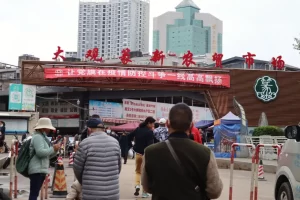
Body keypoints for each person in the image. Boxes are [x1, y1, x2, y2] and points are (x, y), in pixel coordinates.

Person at [141, 103, 223, 200]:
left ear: (168, 123)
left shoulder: (150, 152)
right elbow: (215, 191)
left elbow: (147, 187)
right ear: (191, 125)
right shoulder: (205, 153)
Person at [73, 118, 121, 200]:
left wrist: (84, 182)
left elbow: (77, 169)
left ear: (89, 129)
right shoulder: (115, 142)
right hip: (112, 193)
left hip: (91, 193)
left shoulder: (85, 143)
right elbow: (118, 168)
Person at [28, 118, 61, 200]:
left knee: (35, 193)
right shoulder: (38, 137)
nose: (49, 130)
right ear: (43, 128)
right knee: (34, 194)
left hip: (40, 169)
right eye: (48, 128)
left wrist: (55, 150)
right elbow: (40, 153)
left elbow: (47, 155)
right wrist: (53, 149)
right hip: (37, 169)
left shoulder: (42, 137)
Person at [128, 117, 155, 198]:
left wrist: (132, 146)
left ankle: (137, 185)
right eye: (152, 123)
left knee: (138, 171)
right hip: (146, 155)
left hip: (138, 154)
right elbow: (150, 145)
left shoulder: (138, 129)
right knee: (146, 174)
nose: (153, 125)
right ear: (148, 123)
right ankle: (144, 192)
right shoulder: (149, 132)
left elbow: (129, 136)